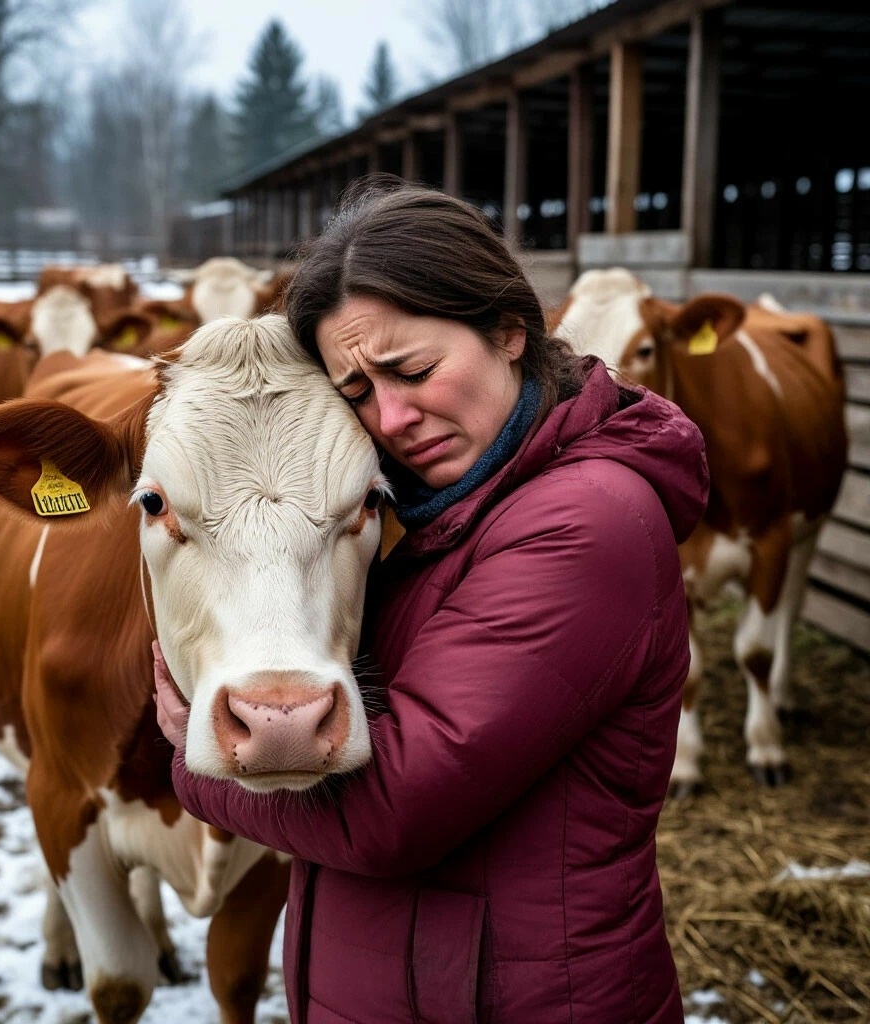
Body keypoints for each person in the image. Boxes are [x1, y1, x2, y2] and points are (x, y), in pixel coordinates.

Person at [155, 175, 709, 1023]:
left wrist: (190, 759)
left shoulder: (585, 522)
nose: (394, 417)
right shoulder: (439, 508)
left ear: (508, 330)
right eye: (356, 395)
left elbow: (393, 813)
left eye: (412, 370)